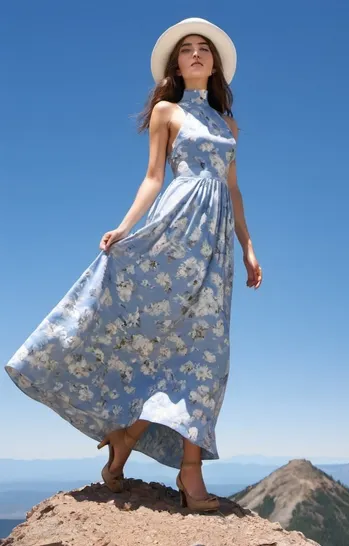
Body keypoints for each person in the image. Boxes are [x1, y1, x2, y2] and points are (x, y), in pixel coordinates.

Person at [4, 17, 262, 512]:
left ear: (214, 65)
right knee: (160, 345)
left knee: (207, 353)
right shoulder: (167, 111)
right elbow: (152, 179)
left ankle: (141, 446)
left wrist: (248, 245)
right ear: (176, 64)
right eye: (185, 49)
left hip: (215, 247)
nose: (194, 54)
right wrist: (124, 228)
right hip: (174, 232)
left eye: (202, 49)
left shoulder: (227, 126)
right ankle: (171, 464)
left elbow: (233, 190)